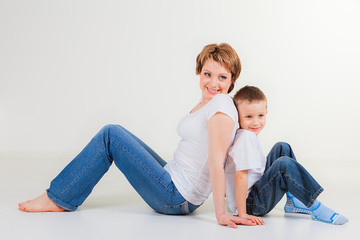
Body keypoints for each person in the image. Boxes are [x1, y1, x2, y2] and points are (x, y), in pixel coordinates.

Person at [18, 43, 255, 228]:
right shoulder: (208, 103)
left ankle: (57, 198)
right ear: (199, 73)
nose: (213, 83)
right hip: (172, 176)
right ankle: (61, 196)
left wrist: (220, 214)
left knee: (111, 135)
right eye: (207, 74)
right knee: (115, 133)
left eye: (222, 77)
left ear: (232, 80)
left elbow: (217, 161)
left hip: (176, 197)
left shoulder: (222, 104)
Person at [224, 85, 348, 225]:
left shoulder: (246, 134)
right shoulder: (245, 138)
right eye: (248, 117)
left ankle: (293, 202)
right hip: (250, 205)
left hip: (255, 191)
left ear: (266, 113)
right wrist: (242, 214)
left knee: (282, 147)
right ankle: (316, 207)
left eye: (260, 116)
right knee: (283, 164)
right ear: (237, 116)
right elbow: (240, 176)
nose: (255, 122)